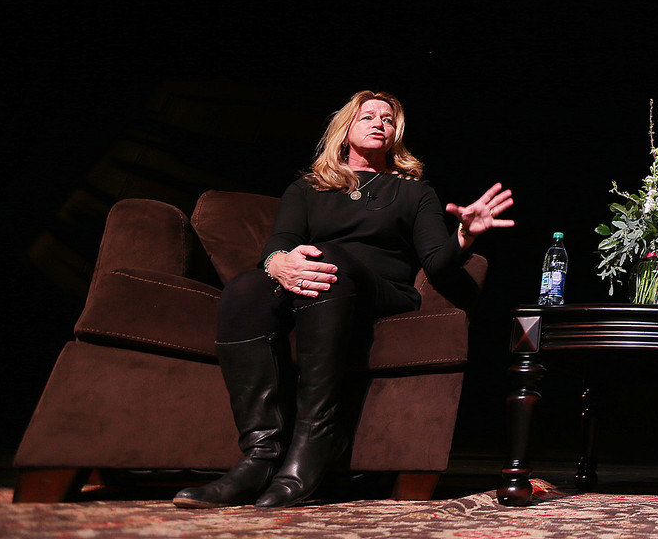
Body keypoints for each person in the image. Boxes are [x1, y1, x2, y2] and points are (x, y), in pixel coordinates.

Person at [173, 90, 515, 510]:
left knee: (330, 261)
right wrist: (277, 263)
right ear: (345, 130)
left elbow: (438, 262)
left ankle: (316, 441)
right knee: (246, 286)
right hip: (318, 289)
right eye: (367, 116)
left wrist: (465, 233)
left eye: (388, 120)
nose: (378, 123)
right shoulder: (307, 188)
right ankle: (261, 455)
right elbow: (281, 243)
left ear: (395, 135)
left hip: (381, 291)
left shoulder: (413, 192)